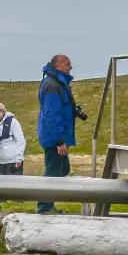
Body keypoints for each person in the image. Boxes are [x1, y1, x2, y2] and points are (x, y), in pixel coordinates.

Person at [35, 55, 88, 213]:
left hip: (57, 135)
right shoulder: (52, 85)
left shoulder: (58, 83)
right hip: (54, 137)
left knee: (62, 170)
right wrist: (59, 141)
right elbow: (51, 114)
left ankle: (48, 205)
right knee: (53, 171)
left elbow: (59, 109)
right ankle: (44, 208)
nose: (71, 67)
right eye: (67, 64)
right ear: (57, 65)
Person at [0, 102, 27, 174]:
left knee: (13, 184)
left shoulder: (13, 122)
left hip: (12, 161)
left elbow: (20, 140)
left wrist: (19, 158)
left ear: (2, 110)